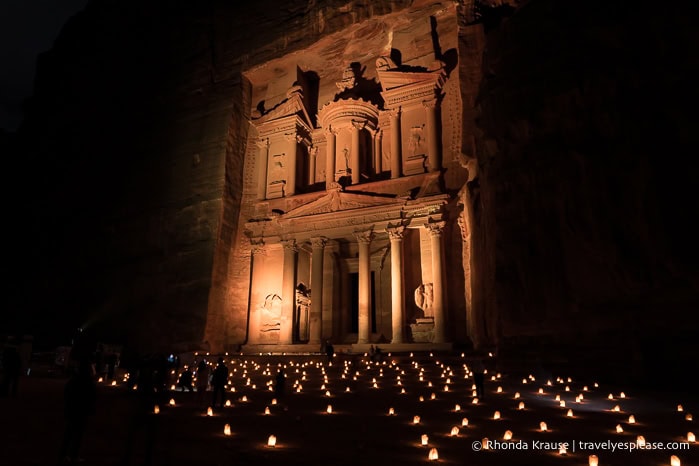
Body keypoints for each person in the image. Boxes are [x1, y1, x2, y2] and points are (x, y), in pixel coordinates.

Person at [59, 359, 97, 465]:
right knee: (77, 435)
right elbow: (92, 397)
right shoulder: (88, 382)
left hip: (72, 410)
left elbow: (67, 393)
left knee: (69, 433)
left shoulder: (73, 380)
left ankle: (64, 455)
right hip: (81, 411)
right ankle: (72, 455)